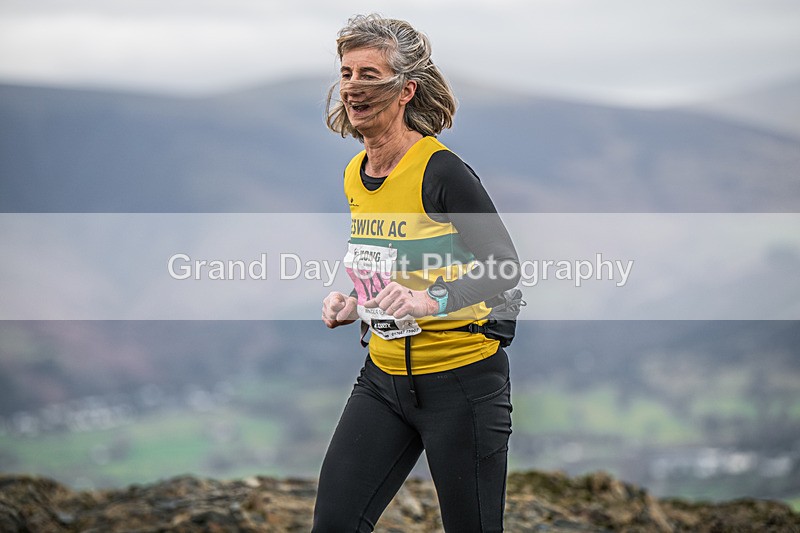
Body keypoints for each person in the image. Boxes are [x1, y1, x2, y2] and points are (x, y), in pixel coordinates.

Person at [314, 14, 520, 532]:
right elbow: (392, 266)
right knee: (334, 525)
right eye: (346, 73)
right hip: (382, 381)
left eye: (368, 74)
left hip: (462, 383)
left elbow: (505, 265)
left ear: (405, 90)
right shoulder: (355, 174)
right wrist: (354, 302)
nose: (353, 88)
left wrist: (435, 301)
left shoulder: (442, 170)